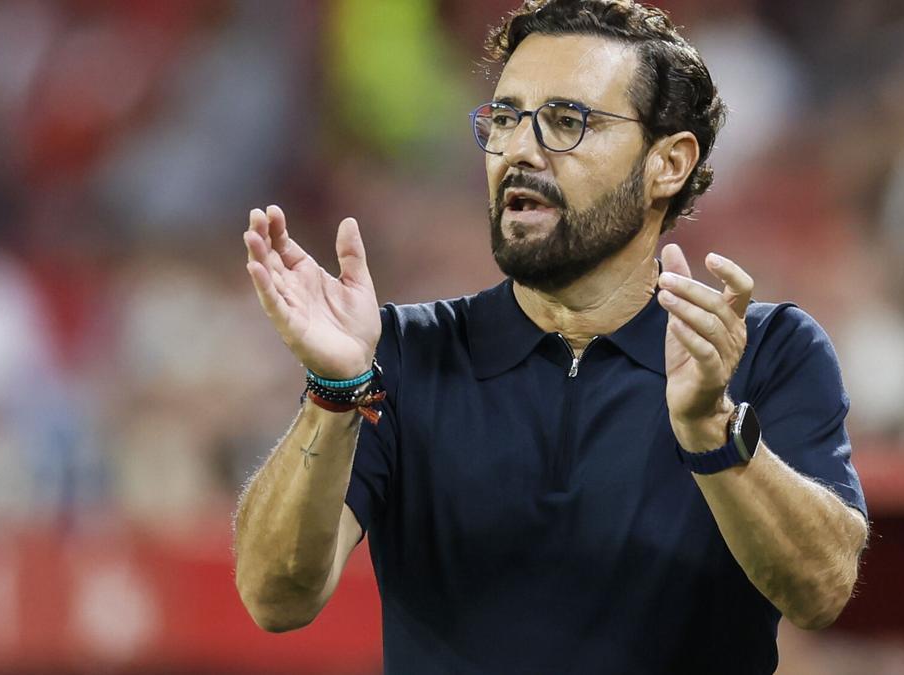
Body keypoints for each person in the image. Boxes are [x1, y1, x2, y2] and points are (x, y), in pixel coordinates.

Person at [234, 1, 868, 672]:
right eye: (504, 118)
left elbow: (821, 590)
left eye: (567, 122)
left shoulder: (764, 350)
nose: (519, 150)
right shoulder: (400, 355)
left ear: (668, 164)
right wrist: (334, 392)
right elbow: (276, 598)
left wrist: (714, 429)